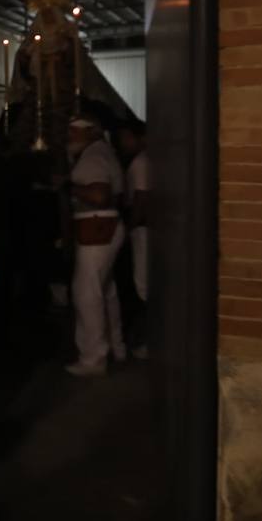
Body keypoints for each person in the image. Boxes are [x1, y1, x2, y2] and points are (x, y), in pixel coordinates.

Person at [65, 116, 127, 377]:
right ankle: (116, 346)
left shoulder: (93, 157)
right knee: (105, 289)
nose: (69, 137)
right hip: (104, 228)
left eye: (73, 132)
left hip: (97, 228)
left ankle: (93, 358)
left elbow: (99, 196)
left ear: (89, 131)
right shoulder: (101, 152)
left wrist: (67, 186)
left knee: (87, 293)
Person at [117, 120, 150, 359]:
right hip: (140, 228)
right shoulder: (142, 162)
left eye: (126, 137)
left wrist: (129, 227)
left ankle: (146, 341)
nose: (122, 142)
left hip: (141, 230)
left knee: (143, 284)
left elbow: (141, 198)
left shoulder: (140, 163)